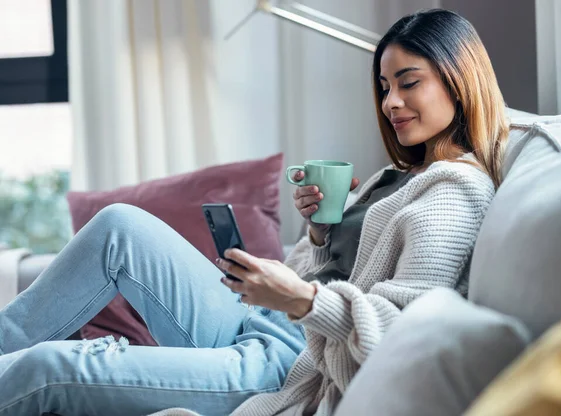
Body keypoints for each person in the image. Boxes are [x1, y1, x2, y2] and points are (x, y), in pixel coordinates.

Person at [0, 8, 507, 416]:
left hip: (286, 365)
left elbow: (400, 341)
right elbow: (340, 270)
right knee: (119, 226)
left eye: (408, 82)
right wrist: (319, 233)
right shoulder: (397, 178)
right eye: (384, 86)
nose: (391, 101)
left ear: (458, 79)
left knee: (47, 368)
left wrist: (304, 299)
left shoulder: (454, 193)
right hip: (264, 320)